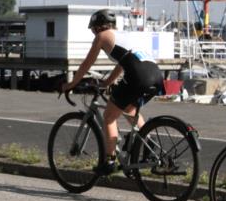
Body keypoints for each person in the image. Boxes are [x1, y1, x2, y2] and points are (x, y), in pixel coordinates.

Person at [60, 10, 164, 174]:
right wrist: (106, 83)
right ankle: (148, 144)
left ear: (97, 27)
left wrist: (72, 83)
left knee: (109, 116)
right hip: (156, 75)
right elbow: (122, 64)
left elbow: (87, 63)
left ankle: (109, 161)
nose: (93, 32)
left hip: (138, 76)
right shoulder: (122, 36)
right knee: (129, 109)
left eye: (93, 29)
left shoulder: (102, 37)